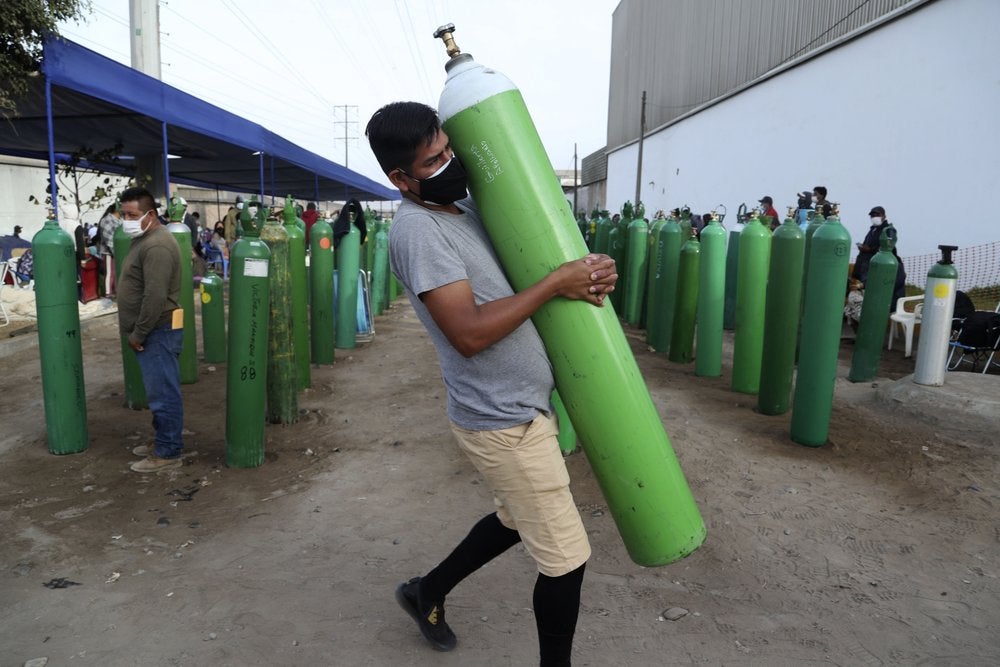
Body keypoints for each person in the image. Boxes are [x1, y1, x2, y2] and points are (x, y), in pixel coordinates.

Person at [366, 101, 617, 666]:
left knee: (513, 517)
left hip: (522, 409)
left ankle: (425, 591)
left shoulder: (464, 209)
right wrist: (556, 284)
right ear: (400, 178)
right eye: (435, 160)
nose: (451, 163)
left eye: (451, 150)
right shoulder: (420, 231)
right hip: (502, 420)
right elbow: (469, 334)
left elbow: (526, 271)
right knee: (566, 558)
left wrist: (588, 272)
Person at [116, 187, 186, 473]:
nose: (126, 220)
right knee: (159, 390)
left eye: (132, 215)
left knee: (163, 394)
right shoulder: (144, 238)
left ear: (150, 214)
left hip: (157, 329)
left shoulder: (156, 245)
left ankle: (168, 452)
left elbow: (155, 296)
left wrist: (138, 333)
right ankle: (163, 440)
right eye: (123, 214)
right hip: (154, 330)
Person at [98, 203, 121, 297]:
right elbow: (109, 239)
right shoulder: (107, 220)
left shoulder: (119, 220)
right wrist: (116, 251)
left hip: (116, 250)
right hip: (108, 252)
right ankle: (108, 292)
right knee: (110, 272)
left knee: (116, 272)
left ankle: (116, 291)